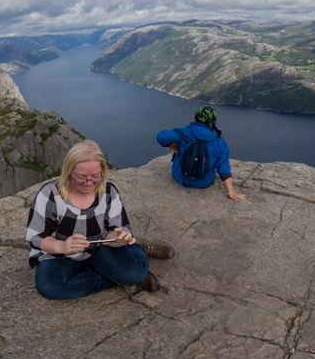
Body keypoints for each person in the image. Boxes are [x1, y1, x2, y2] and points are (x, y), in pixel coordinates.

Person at [26, 140, 173, 300]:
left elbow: (114, 230)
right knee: (50, 287)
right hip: (60, 254)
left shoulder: (109, 191)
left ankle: (137, 250)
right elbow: (37, 237)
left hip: (100, 247)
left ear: (103, 171)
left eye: (95, 176)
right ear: (68, 172)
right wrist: (61, 246)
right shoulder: (49, 194)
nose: (89, 182)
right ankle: (119, 279)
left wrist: (117, 238)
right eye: (81, 177)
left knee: (135, 271)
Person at [155, 107, 247, 200]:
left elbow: (161, 136)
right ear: (213, 122)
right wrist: (231, 192)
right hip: (204, 183)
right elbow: (223, 168)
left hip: (179, 178)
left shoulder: (185, 133)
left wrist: (170, 145)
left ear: (195, 119)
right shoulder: (219, 142)